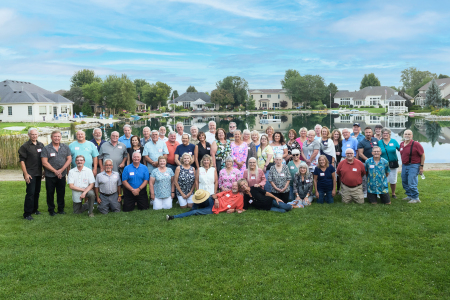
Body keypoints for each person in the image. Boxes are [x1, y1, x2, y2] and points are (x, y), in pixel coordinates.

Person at [166, 184, 244, 220]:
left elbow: (241, 210)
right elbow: (214, 195)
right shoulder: (228, 192)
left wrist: (234, 210)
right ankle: (193, 208)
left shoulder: (240, 197)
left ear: (238, 188)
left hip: (214, 209)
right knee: (200, 195)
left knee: (195, 212)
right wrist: (216, 199)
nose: (234, 187)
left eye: (236, 186)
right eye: (233, 186)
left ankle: (173, 217)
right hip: (212, 201)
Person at [41, 130, 72, 216]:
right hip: (50, 175)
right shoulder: (46, 148)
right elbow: (44, 162)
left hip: (62, 175)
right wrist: (55, 171)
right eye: (55, 136)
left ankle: (61, 209)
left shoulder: (65, 147)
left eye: (58, 136)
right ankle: (51, 210)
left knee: (61, 192)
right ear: (51, 137)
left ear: (60, 137)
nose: (57, 138)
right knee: (50, 193)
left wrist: (61, 170)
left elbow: (69, 159)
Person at [18, 128, 45, 220]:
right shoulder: (25, 146)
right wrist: (25, 174)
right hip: (30, 173)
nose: (34, 136)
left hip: (38, 173)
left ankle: (35, 209)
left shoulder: (41, 145)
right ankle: (27, 214)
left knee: (37, 192)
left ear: (38, 135)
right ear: (29, 135)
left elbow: (43, 159)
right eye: (32, 134)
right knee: (30, 193)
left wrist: (44, 170)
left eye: (36, 134)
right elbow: (22, 161)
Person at [400, 130, 425, 204]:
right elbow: (403, 154)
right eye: (406, 134)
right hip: (405, 165)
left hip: (414, 165)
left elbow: (422, 155)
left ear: (412, 136)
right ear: (403, 135)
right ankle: (410, 195)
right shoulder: (401, 144)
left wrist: (421, 167)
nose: (407, 135)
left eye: (409, 134)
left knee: (411, 182)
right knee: (404, 181)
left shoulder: (416, 144)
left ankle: (415, 198)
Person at [379, 128, 400, 198]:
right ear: (382, 134)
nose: (385, 135)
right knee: (384, 179)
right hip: (383, 164)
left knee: (393, 179)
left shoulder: (394, 141)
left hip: (393, 163)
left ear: (389, 134)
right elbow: (376, 152)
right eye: (384, 133)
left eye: (386, 133)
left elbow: (401, 149)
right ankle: (385, 192)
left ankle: (393, 193)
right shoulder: (379, 142)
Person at [357, 127, 378, 198]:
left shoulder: (375, 140)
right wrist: (369, 161)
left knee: (375, 177)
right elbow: (360, 154)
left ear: (372, 133)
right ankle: (365, 192)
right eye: (367, 132)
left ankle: (376, 191)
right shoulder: (361, 142)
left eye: (369, 132)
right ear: (364, 133)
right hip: (365, 163)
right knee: (365, 178)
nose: (368, 134)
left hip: (376, 162)